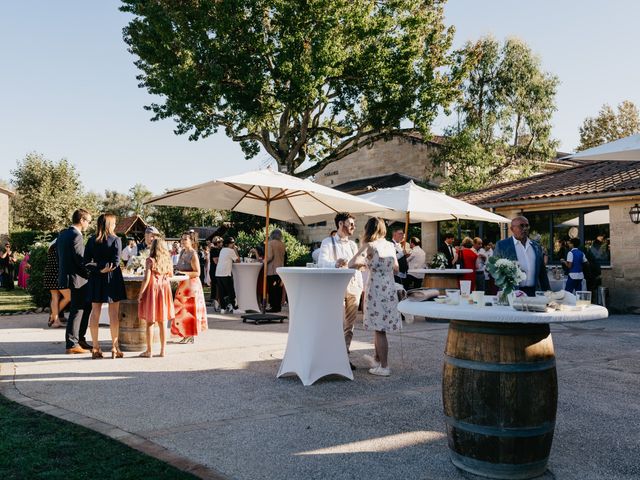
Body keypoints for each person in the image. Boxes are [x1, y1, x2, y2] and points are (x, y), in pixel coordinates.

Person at [348, 217, 400, 377]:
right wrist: (374, 264)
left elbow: (351, 263)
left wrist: (365, 263)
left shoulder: (370, 245)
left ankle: (384, 366)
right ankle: (377, 360)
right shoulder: (390, 245)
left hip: (376, 289)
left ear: (369, 229)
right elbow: (396, 269)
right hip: (389, 288)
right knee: (379, 327)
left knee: (380, 330)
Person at [317, 212, 363, 370]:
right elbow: (321, 263)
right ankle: (331, 356)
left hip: (354, 287)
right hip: (336, 287)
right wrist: (335, 264)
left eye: (353, 224)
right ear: (340, 224)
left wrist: (361, 286)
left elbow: (357, 265)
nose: (353, 227)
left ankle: (344, 356)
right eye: (350, 224)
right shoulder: (327, 242)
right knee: (336, 323)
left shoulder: (352, 245)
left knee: (349, 326)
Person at [84, 213, 127, 359]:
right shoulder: (116, 240)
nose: (115, 225)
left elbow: (86, 262)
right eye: (114, 223)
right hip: (112, 278)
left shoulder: (90, 240)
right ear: (109, 224)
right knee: (113, 314)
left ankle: (95, 347)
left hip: (96, 278)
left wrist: (98, 269)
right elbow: (115, 262)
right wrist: (104, 268)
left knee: (95, 312)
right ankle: (115, 348)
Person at [57, 209, 93, 354]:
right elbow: (80, 259)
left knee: (85, 307)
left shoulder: (63, 234)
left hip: (70, 276)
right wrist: (94, 270)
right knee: (77, 309)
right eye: (88, 221)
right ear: (82, 220)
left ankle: (80, 339)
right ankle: (72, 344)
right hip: (78, 278)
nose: (89, 225)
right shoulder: (76, 236)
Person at [493, 216, 550, 296]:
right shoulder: (502, 245)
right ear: (512, 229)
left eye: (527, 225)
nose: (525, 228)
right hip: (513, 293)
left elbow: (542, 273)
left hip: (534, 293)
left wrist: (548, 292)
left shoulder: (536, 246)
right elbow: (494, 270)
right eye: (521, 226)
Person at [137, 238, 175, 358]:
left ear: (153, 248)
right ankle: (163, 350)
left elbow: (147, 278)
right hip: (164, 289)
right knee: (163, 321)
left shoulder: (150, 260)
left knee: (150, 321)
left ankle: (149, 351)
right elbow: (171, 274)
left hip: (153, 289)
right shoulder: (167, 259)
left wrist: (141, 293)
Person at [172, 230, 208, 343]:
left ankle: (189, 335)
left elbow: (197, 273)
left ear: (192, 241)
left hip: (191, 286)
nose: (182, 241)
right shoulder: (182, 252)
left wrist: (183, 274)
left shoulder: (193, 254)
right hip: (182, 285)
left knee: (189, 311)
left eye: (185, 239)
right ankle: (185, 334)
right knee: (182, 310)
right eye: (182, 239)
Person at [43, 239, 70, 328]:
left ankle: (55, 320)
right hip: (57, 274)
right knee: (69, 296)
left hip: (50, 273)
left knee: (55, 298)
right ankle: (53, 317)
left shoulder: (52, 246)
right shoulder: (61, 246)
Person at [215, 236, 240, 313]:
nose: (234, 244)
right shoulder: (230, 251)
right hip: (226, 273)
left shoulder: (222, 250)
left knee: (221, 292)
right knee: (231, 291)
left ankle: (223, 308)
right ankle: (235, 309)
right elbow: (238, 260)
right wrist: (235, 250)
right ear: (229, 244)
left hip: (218, 273)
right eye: (233, 243)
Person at [266, 229, 286, 312]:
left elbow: (270, 256)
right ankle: (278, 307)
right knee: (278, 289)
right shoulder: (282, 244)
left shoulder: (270, 243)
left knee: (272, 289)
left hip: (272, 269)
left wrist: (264, 262)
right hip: (280, 269)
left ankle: (273, 307)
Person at [208, 237, 223, 309]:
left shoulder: (218, 250)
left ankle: (218, 302)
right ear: (217, 243)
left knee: (218, 286)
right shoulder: (214, 250)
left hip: (216, 270)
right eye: (221, 242)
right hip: (215, 270)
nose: (222, 243)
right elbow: (215, 261)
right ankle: (216, 302)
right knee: (217, 286)